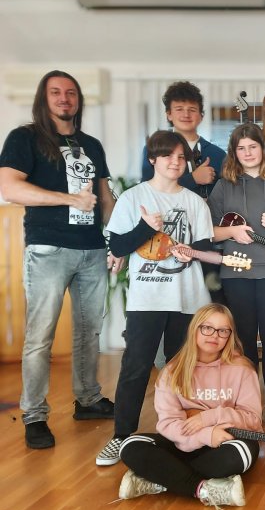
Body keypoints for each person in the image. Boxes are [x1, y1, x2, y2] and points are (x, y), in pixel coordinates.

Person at [0, 70, 120, 450]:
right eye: (56, 92)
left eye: (70, 93)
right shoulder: (24, 138)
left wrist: (121, 240)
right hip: (48, 250)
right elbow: (9, 188)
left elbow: (105, 199)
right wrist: (70, 200)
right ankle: (35, 416)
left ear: (78, 100)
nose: (64, 98)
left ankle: (88, 400)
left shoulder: (92, 145)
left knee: (89, 332)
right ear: (44, 98)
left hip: (92, 250)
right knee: (40, 337)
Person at [96, 130, 214, 466]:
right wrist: (146, 227)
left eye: (181, 157)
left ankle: (181, 435)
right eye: (167, 156)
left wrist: (189, 250)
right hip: (147, 299)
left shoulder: (194, 201)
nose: (175, 162)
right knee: (135, 367)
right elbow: (118, 246)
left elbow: (205, 246)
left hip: (187, 299)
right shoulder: (133, 198)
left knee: (182, 370)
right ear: (153, 159)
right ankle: (121, 436)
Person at [117, 303, 261, 509]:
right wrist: (205, 435)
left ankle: (159, 479)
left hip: (225, 443)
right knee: (130, 445)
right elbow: (168, 423)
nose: (214, 335)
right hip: (184, 442)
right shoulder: (172, 371)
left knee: (242, 453)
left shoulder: (243, 369)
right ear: (194, 329)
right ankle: (202, 488)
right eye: (207, 328)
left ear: (230, 336)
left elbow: (253, 420)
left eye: (223, 331)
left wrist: (208, 418)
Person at [207, 123, 265, 430]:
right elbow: (210, 232)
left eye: (252, 147)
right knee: (244, 339)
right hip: (236, 273)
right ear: (234, 153)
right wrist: (231, 232)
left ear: (263, 149)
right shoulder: (224, 187)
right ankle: (248, 402)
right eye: (241, 148)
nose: (247, 153)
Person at [140, 81, 225, 199]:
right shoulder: (155, 149)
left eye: (192, 110)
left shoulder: (218, 154)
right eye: (179, 109)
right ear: (169, 114)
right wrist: (193, 179)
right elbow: (147, 191)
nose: (186, 115)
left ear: (201, 116)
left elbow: (227, 195)